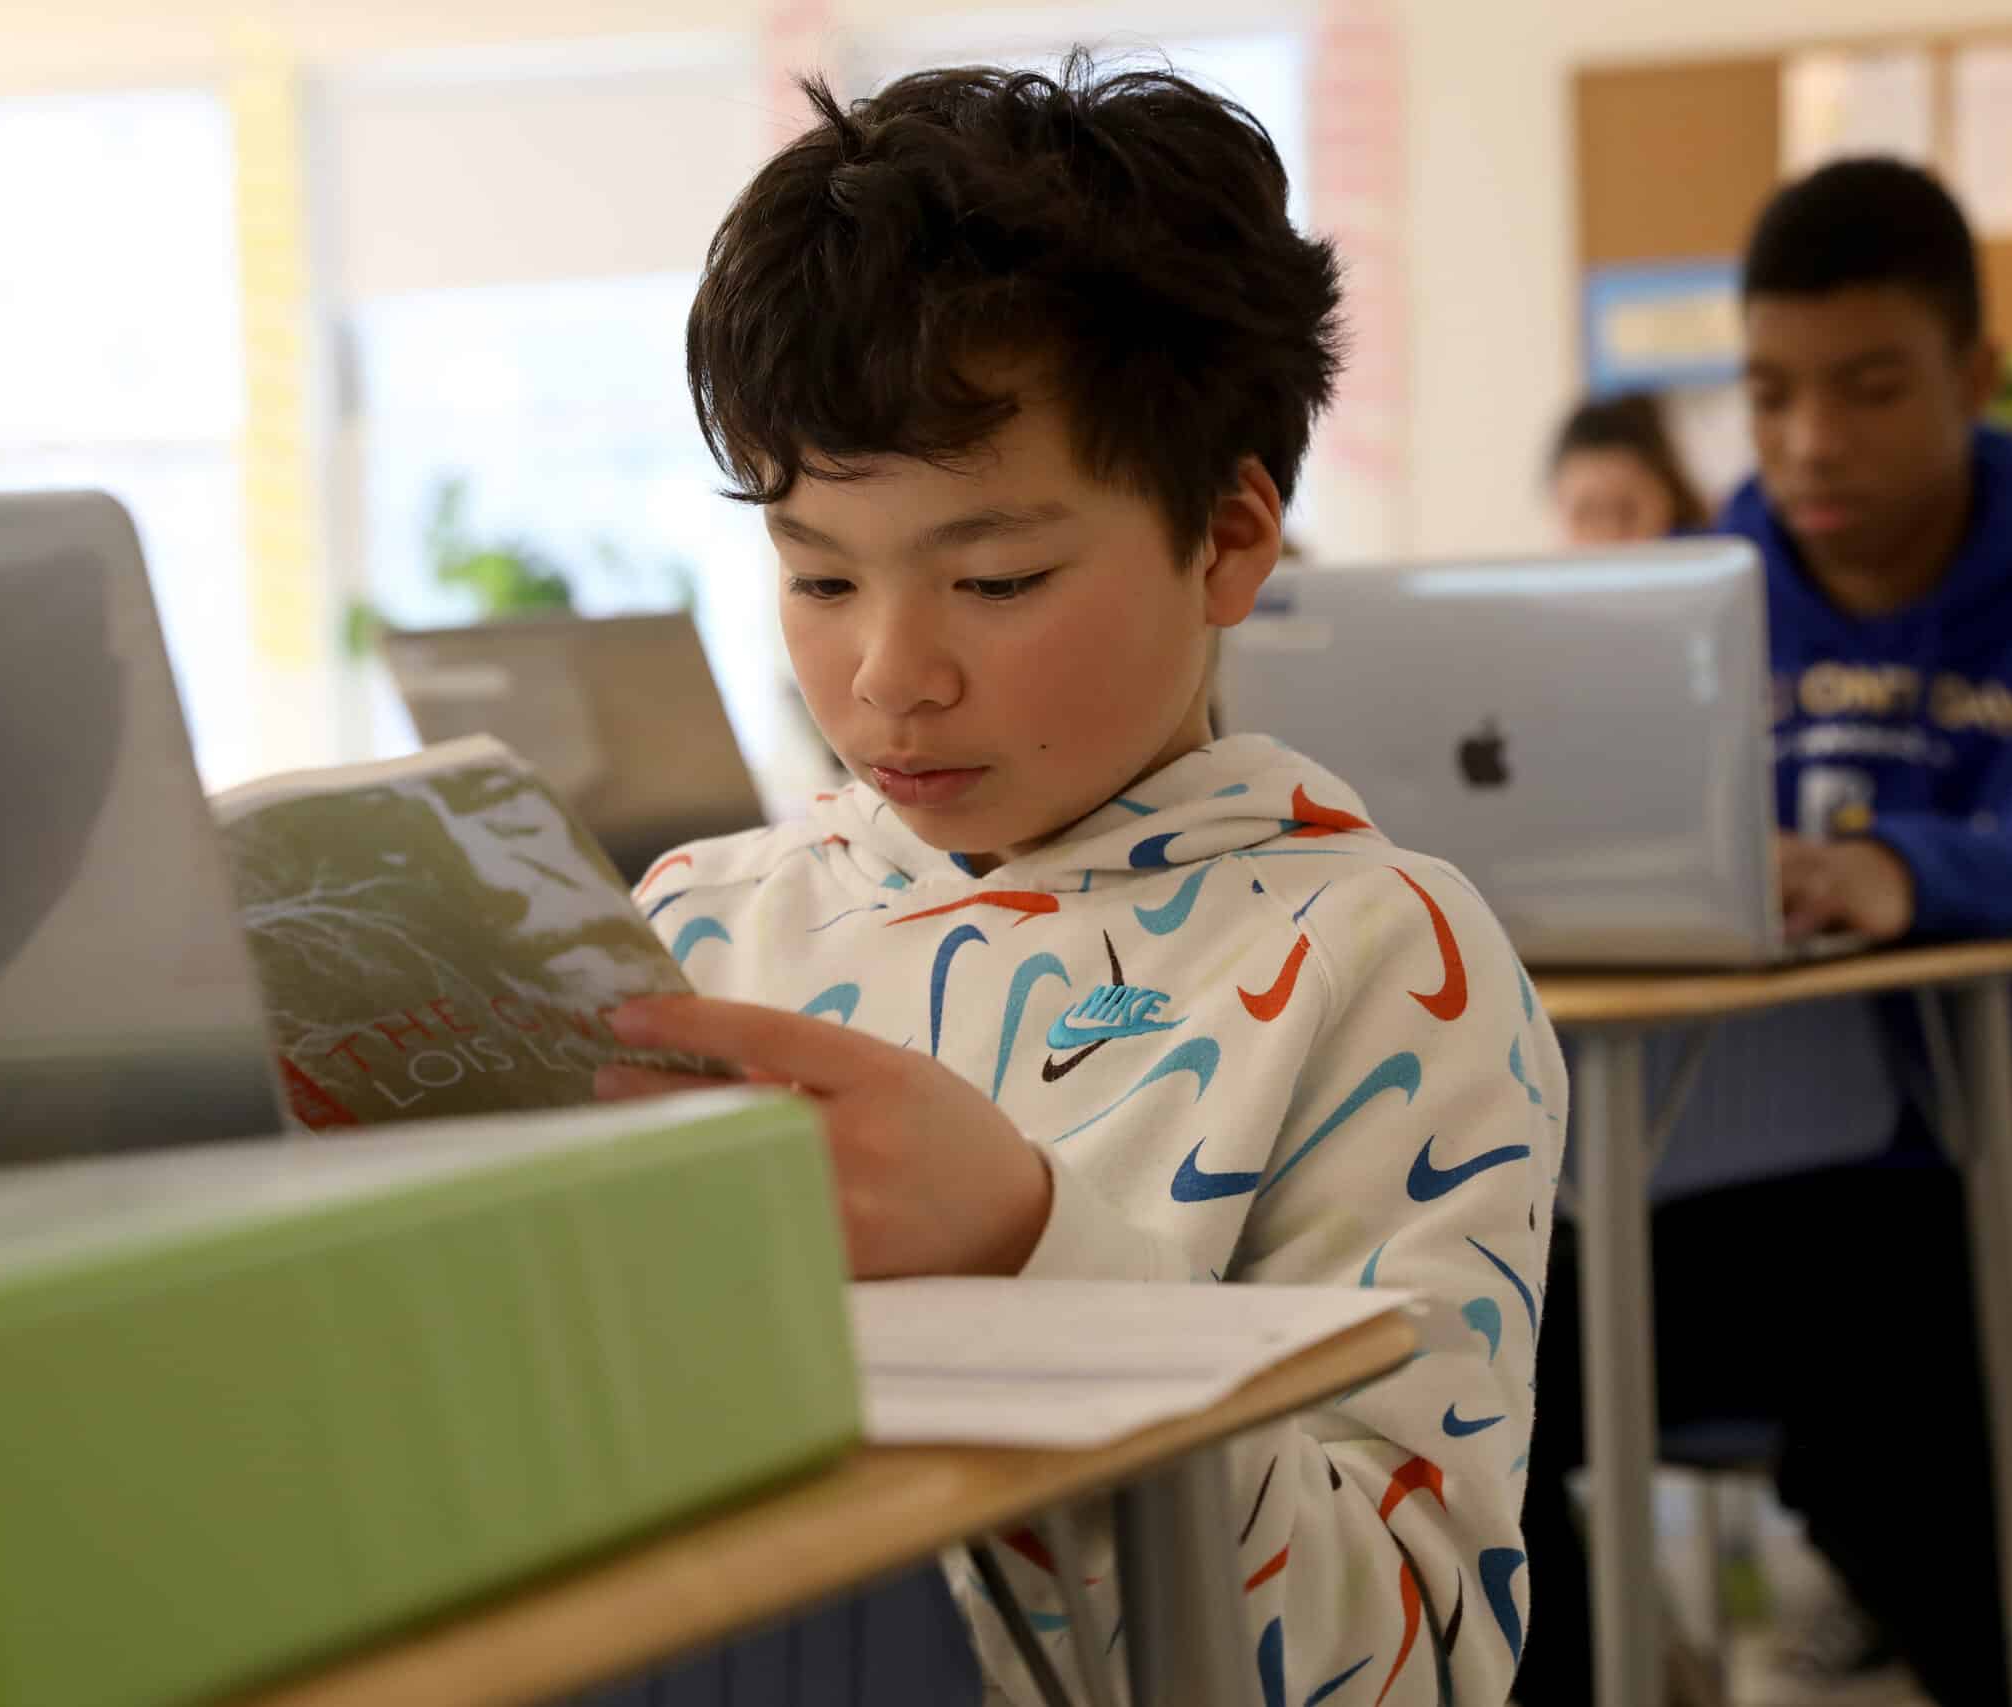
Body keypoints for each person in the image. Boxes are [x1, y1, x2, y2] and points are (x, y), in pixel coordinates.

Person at [592, 59, 1565, 1707]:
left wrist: (1032, 1249)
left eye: (995, 577)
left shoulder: (1377, 962)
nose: (891, 677)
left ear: (1231, 539)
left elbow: (1389, 1665)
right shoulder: (696, 923)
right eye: (817, 573)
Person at [1512, 159, 2012, 1707]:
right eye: (1767, 393)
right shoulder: (1690, 603)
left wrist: (1900, 869)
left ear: (1974, 375)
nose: (1810, 439)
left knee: (1882, 1420)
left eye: (1869, 386)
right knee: (1453, 1370)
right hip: (1757, 1187)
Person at [1547, 391, 1709, 545]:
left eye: (1626, 512)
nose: (1608, 535)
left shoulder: (1715, 561)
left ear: (1670, 499)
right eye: (1586, 513)